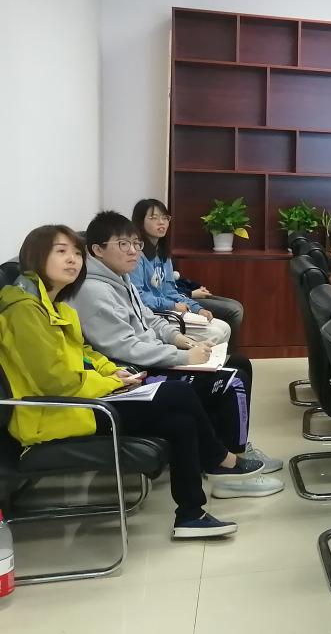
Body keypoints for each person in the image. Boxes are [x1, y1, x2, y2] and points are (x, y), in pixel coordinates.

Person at [0, 226, 269, 538]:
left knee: (180, 421)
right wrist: (109, 384)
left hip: (83, 400)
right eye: (61, 251)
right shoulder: (25, 311)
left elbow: (84, 352)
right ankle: (220, 459)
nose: (73, 259)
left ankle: (190, 515)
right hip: (57, 413)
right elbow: (56, 381)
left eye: (75, 252)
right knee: (178, 393)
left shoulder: (54, 305)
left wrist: (111, 373)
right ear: (36, 256)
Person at [68, 212, 283, 495]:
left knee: (239, 363)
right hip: (133, 373)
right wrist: (181, 358)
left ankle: (234, 451)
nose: (133, 251)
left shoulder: (120, 279)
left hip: (150, 359)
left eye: (135, 244)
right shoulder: (94, 291)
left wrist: (181, 340)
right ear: (97, 249)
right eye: (123, 244)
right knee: (232, 381)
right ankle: (229, 470)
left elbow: (149, 319)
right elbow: (125, 348)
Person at [130, 199, 232, 346]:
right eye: (154, 218)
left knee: (225, 328)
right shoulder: (135, 255)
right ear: (140, 222)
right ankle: (195, 359)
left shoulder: (163, 254)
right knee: (216, 333)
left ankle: (210, 359)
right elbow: (138, 297)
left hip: (170, 312)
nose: (161, 222)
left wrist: (197, 308)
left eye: (165, 218)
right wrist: (171, 305)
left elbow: (170, 291)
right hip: (153, 316)